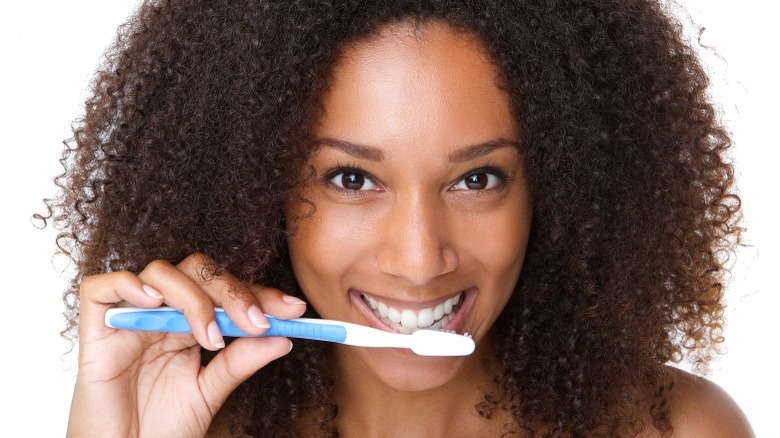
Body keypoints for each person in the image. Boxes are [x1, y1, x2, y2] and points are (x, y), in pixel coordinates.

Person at [46, 0, 754, 436]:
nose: (419, 261)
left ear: (564, 186)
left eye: (477, 179)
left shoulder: (676, 432)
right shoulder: (193, 433)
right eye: (353, 179)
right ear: (251, 184)